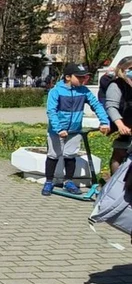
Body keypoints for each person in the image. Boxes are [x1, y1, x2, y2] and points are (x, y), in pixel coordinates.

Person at [42, 63, 110, 196]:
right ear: (68, 77)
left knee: (70, 155)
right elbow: (51, 111)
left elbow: (96, 105)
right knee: (53, 155)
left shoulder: (84, 91)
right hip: (57, 131)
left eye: (84, 77)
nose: (82, 80)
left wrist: (104, 122)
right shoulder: (56, 91)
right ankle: (49, 181)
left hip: (74, 130)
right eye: (79, 77)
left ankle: (68, 181)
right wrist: (59, 128)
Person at [105, 57, 132, 175]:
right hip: (123, 125)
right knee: (120, 154)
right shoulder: (116, 85)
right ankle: (114, 184)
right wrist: (120, 124)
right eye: (130, 68)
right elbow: (111, 106)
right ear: (122, 69)